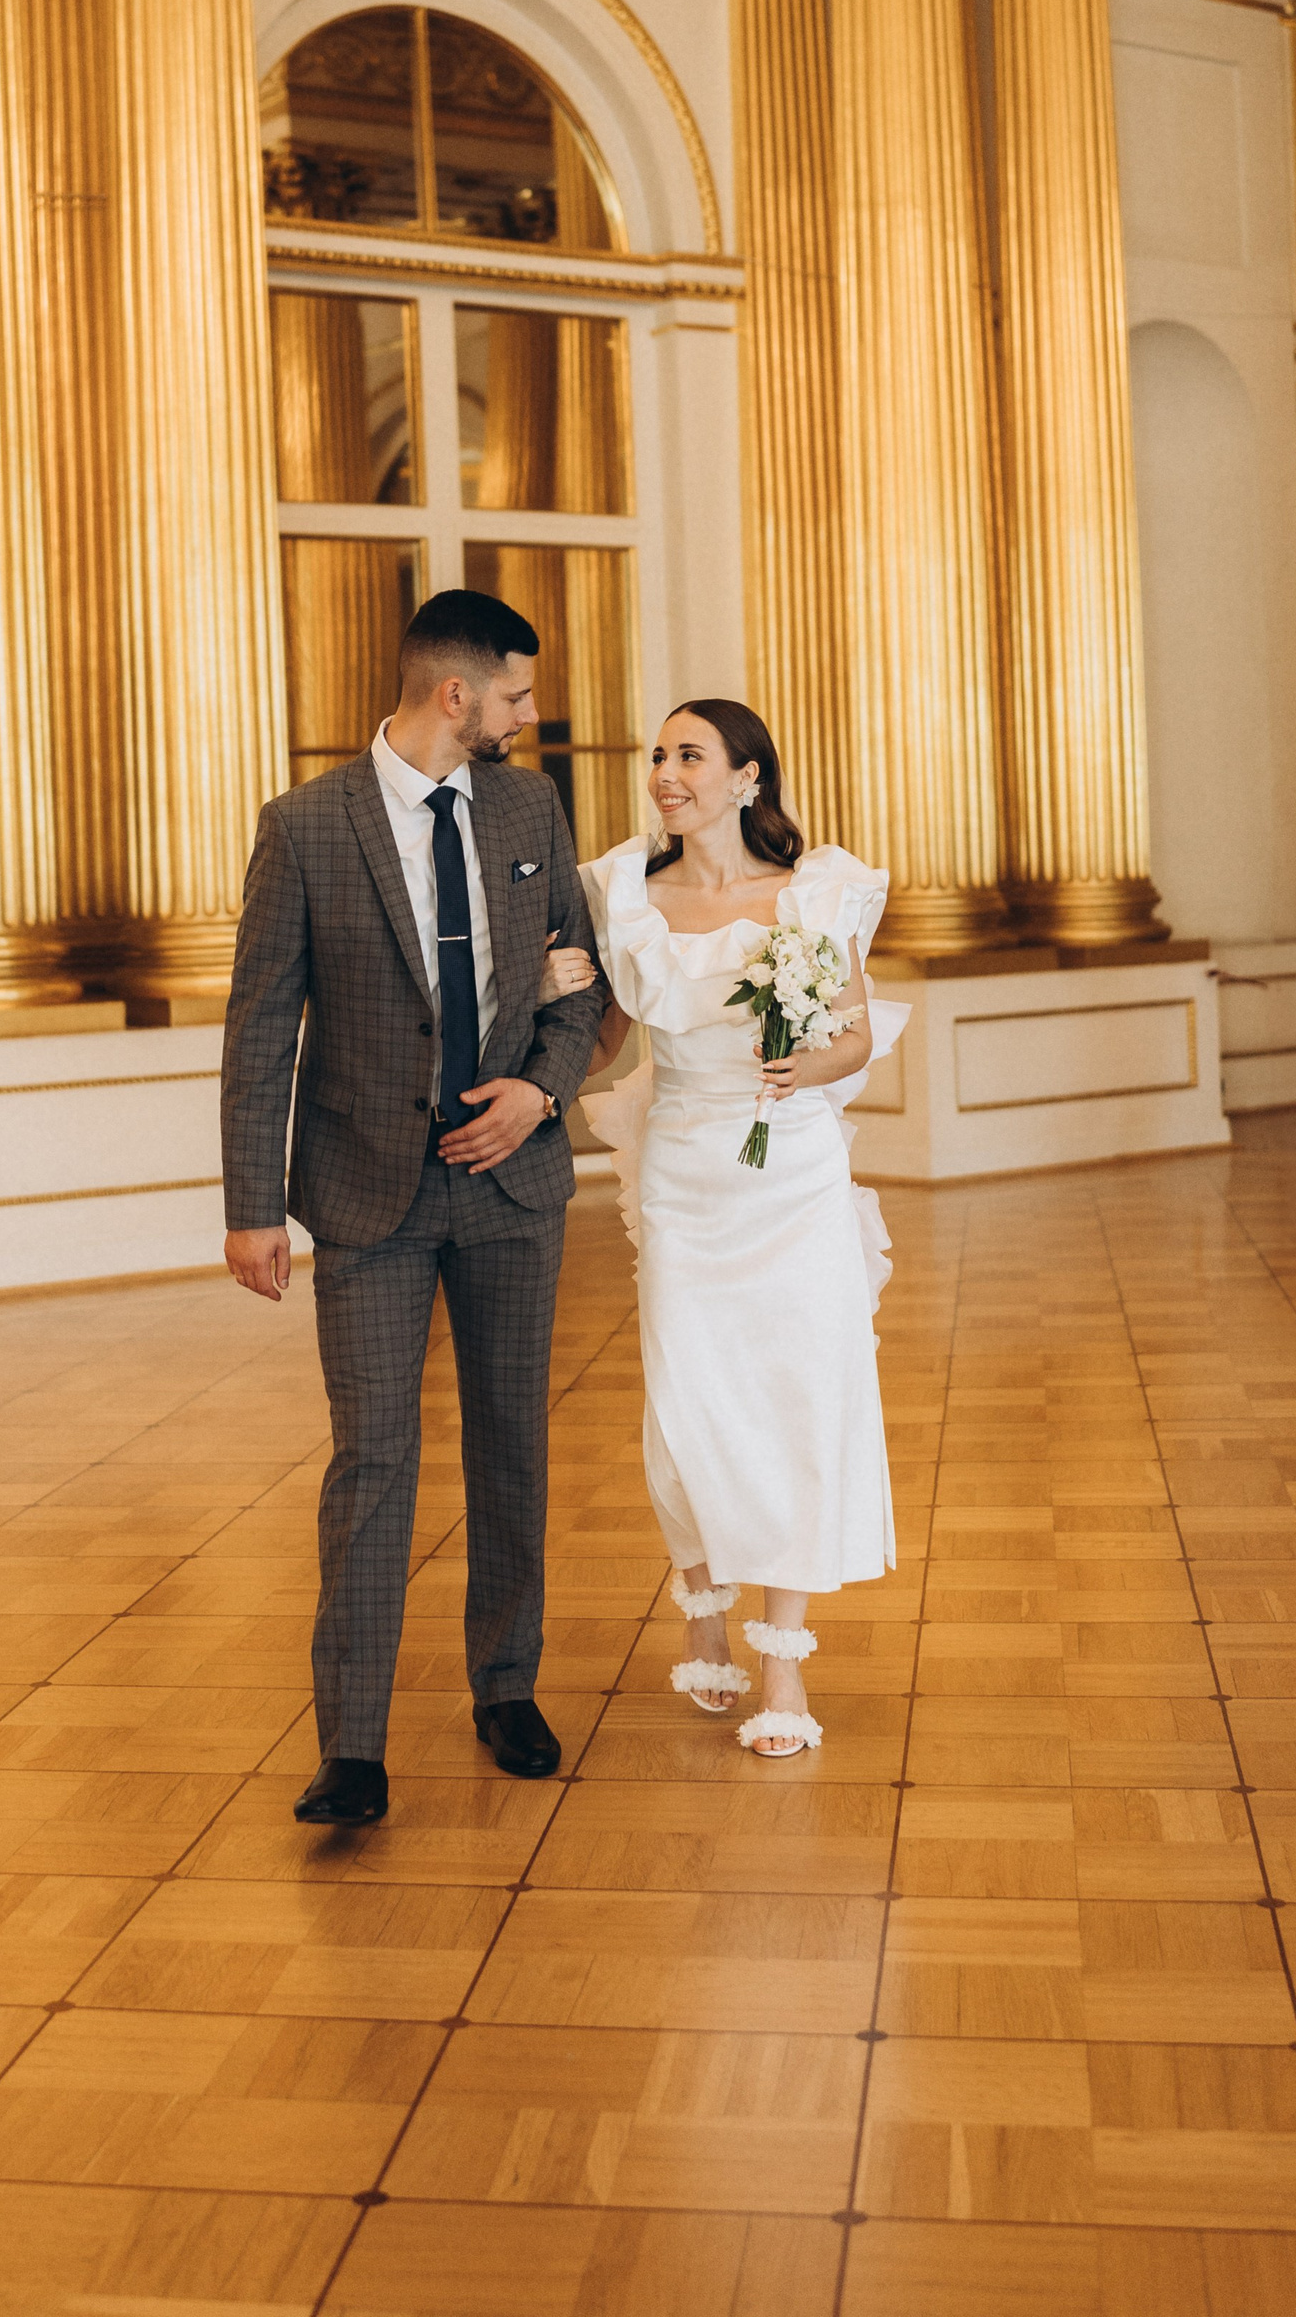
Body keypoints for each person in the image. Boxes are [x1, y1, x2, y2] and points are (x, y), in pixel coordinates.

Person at [221, 587, 607, 1827]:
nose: (527, 716)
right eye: (516, 695)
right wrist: (252, 1205)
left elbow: (579, 989)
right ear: (456, 694)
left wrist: (540, 1095)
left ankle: (507, 1687)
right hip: (366, 1194)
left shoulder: (529, 809)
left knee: (511, 1443)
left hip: (513, 1185)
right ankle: (352, 1749)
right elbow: (259, 1026)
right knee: (375, 1458)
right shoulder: (305, 827)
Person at [542, 700, 903, 1758]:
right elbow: (604, 1044)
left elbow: (853, 1037)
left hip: (793, 1172)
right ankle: (702, 1605)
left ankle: (782, 1660)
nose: (665, 772)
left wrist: (807, 1065)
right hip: (687, 1176)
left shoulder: (814, 890)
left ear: (747, 778)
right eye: (658, 754)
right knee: (688, 1401)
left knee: (800, 1396)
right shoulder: (623, 897)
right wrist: (539, 1004)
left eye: (689, 755)